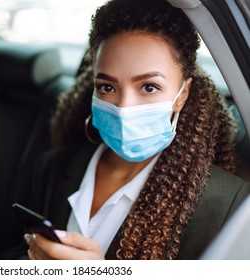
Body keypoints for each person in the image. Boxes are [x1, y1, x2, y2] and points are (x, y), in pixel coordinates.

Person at [21, 0, 250, 260]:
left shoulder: (225, 206)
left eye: (149, 87)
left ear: (183, 93)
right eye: (107, 87)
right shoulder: (51, 167)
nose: (123, 107)